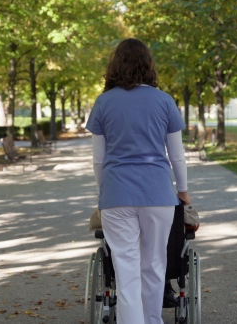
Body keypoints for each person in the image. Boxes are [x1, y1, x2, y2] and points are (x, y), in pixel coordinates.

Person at [86, 38, 191, 324]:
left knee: (125, 268)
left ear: (115, 66)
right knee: (155, 265)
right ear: (148, 65)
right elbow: (177, 156)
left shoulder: (104, 102)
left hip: (116, 194)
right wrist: (183, 191)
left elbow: (98, 160)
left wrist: (102, 192)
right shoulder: (164, 100)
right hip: (158, 194)